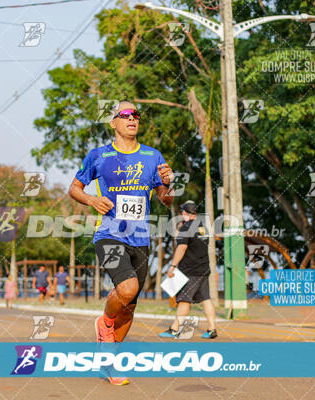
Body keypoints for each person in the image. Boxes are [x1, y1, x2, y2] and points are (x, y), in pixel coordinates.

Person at [69, 100, 174, 385]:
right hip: (110, 234)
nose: (132, 119)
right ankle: (104, 323)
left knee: (130, 304)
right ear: (113, 123)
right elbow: (75, 188)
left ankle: (109, 360)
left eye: (136, 115)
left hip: (140, 237)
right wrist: (92, 199)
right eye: (124, 115)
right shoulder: (99, 155)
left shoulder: (153, 156)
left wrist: (168, 183)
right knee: (128, 287)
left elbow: (166, 200)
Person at [159, 200, 218, 339]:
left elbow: (182, 248)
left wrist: (173, 266)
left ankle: (174, 329)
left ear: (185, 213)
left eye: (182, 212)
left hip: (190, 271)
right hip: (204, 268)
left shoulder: (186, 228)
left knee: (184, 300)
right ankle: (212, 329)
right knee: (206, 299)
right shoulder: (204, 227)